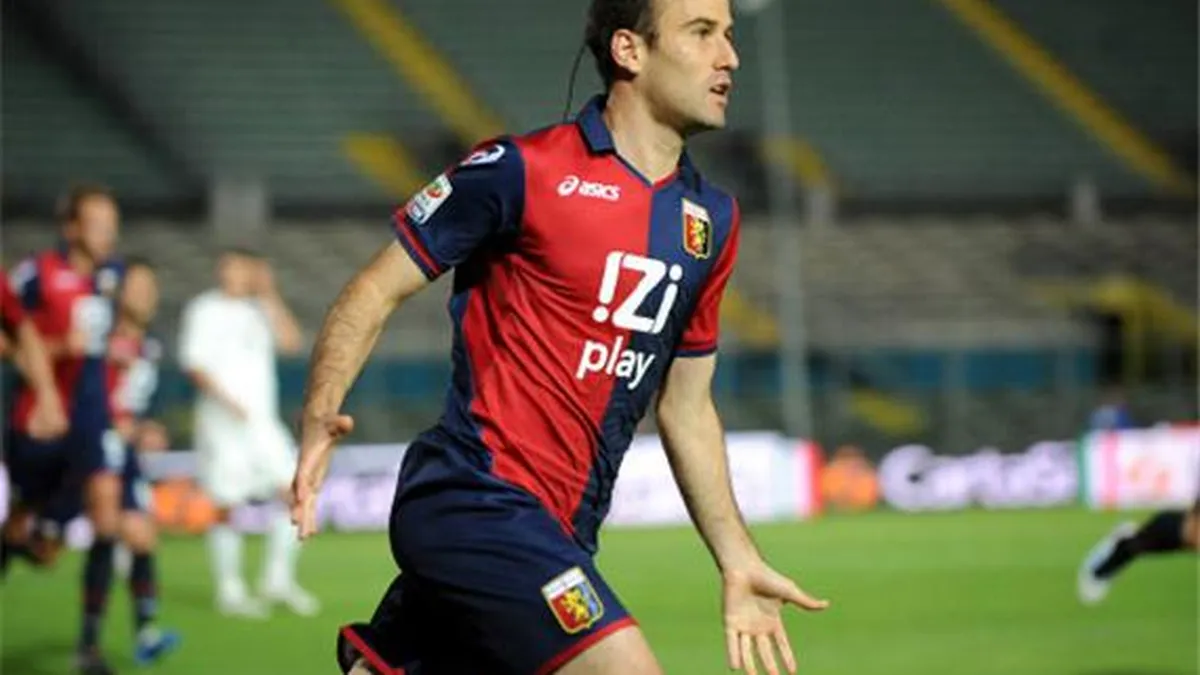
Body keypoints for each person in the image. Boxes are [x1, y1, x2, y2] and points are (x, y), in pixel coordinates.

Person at [292, 1, 828, 673]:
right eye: (701, 33)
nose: (730, 58)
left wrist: (737, 556)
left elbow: (688, 407)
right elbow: (375, 287)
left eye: (728, 35)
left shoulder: (710, 220)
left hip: (560, 533)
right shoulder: (521, 169)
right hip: (473, 497)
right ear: (630, 50)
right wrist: (320, 411)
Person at [4, 184, 126, 675]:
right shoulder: (35, 274)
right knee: (29, 537)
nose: (108, 235)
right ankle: (22, 538)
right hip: (38, 418)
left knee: (107, 519)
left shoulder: (112, 276)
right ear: (72, 228)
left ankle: (89, 647)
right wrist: (58, 347)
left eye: (112, 225)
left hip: (92, 418)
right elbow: (9, 340)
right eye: (98, 225)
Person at [178, 246, 316, 618]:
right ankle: (230, 589)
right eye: (228, 267)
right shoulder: (204, 309)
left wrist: (269, 294)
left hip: (262, 423)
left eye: (241, 268)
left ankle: (277, 580)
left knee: (296, 492)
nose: (233, 274)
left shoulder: (259, 309)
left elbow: (291, 342)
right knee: (227, 503)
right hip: (221, 423)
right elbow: (194, 364)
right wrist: (227, 400)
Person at [104, 257, 183, 664]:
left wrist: (144, 428)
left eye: (151, 288)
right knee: (35, 541)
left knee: (141, 535)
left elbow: (132, 405)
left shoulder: (149, 345)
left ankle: (145, 635)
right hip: (85, 449)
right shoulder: (99, 339)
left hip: (123, 455)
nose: (146, 296)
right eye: (137, 287)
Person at [1077, 499, 1200, 605]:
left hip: (1179, 526)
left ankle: (1127, 541)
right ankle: (1102, 569)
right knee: (1139, 545)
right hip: (1178, 527)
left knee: (1180, 537)